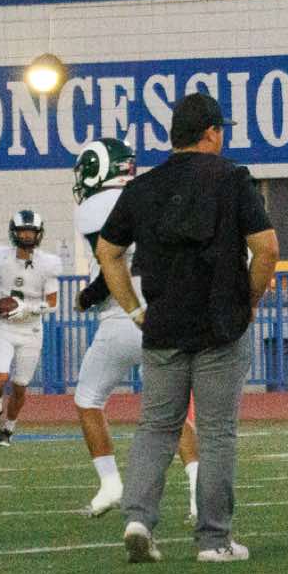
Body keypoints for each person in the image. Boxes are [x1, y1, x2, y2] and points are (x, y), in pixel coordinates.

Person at [96, 92, 279, 564]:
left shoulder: (142, 188)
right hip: (220, 324)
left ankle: (138, 519)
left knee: (156, 427)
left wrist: (134, 310)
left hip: (163, 323)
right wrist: (249, 300)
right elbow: (267, 249)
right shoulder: (233, 178)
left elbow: (107, 253)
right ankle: (214, 540)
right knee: (216, 433)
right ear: (212, 132)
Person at [69, 139, 199, 519]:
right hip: (167, 310)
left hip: (124, 316)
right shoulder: (151, 193)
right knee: (171, 412)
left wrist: (87, 297)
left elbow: (113, 263)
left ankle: (111, 483)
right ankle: (198, 491)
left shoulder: (94, 207)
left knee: (88, 398)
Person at [0, 209, 61, 447]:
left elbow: (53, 303)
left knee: (20, 386)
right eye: (22, 231)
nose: (27, 236)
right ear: (13, 232)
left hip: (31, 331)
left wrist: (26, 309)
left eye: (31, 231)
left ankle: (9, 427)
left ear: (39, 234)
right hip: (2, 327)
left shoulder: (48, 263)